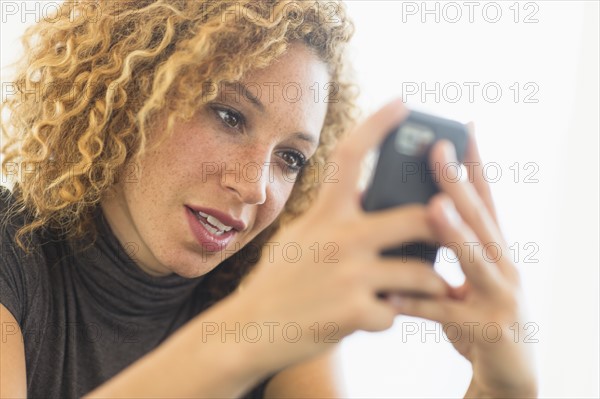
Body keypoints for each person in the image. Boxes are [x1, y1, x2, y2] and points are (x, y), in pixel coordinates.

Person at [0, 0, 537, 397]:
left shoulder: (262, 292)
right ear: (134, 92)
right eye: (229, 116)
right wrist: (250, 330)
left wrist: (500, 383)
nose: (254, 186)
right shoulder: (12, 256)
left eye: (290, 159)